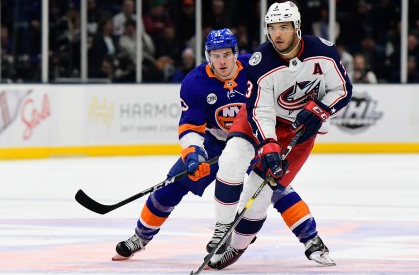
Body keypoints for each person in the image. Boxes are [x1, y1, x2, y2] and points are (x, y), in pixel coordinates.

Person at [112, 28, 319, 261]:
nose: (221, 61)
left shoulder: (254, 68)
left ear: (235, 54)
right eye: (215, 55)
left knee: (274, 186)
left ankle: (312, 240)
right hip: (214, 143)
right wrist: (193, 153)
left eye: (227, 54)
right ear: (207, 55)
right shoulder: (195, 83)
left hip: (252, 139)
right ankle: (140, 237)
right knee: (170, 186)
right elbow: (190, 126)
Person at [208, 1, 352, 269]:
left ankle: (236, 247)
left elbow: (342, 90)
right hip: (260, 122)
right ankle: (221, 229)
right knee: (230, 161)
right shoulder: (260, 62)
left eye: (284, 27)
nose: (277, 34)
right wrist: (269, 144)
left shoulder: (324, 52)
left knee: (259, 194)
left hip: (300, 132)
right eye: (272, 28)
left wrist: (320, 110)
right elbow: (260, 111)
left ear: (297, 27)